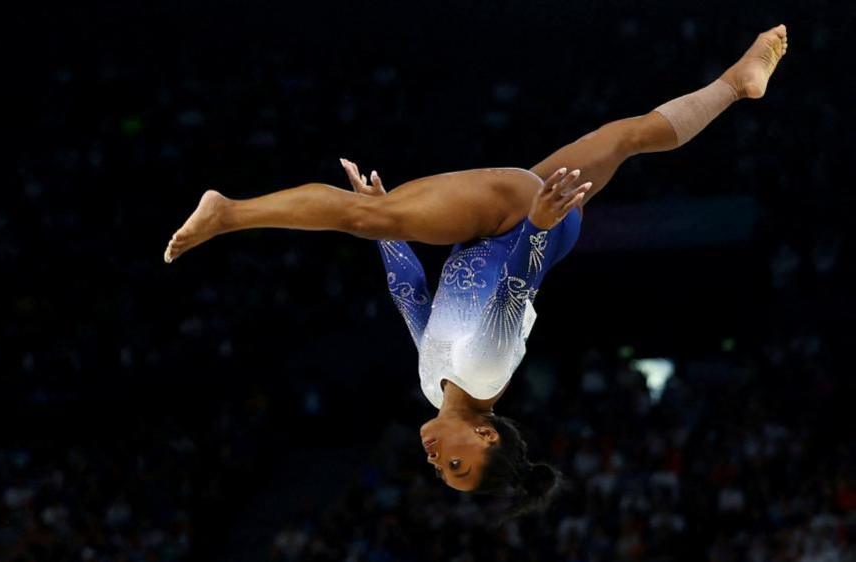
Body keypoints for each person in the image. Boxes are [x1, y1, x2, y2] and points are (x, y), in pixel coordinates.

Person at [163, 25, 788, 517]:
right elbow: (516, 288)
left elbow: (412, 295)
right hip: (518, 222)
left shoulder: (438, 385)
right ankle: (230, 213)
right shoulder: (486, 371)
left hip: (523, 223)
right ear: (486, 439)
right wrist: (533, 223)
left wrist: (391, 227)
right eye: (455, 467)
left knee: (625, 138)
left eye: (441, 474)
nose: (438, 462)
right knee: (359, 218)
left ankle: (737, 83)